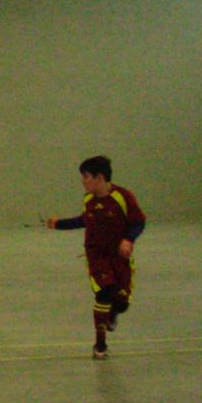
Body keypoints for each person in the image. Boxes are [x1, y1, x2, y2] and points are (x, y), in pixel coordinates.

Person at [46, 155, 146, 361]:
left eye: (86, 177)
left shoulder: (123, 197)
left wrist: (128, 240)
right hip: (96, 256)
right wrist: (59, 224)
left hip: (119, 258)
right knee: (104, 294)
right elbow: (85, 220)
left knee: (122, 302)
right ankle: (100, 344)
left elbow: (138, 222)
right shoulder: (88, 199)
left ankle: (114, 314)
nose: (83, 181)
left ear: (100, 178)